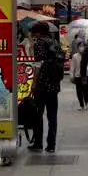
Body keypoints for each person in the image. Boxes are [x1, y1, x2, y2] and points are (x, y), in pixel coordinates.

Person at [29, 22, 64, 153]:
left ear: (38, 32)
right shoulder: (55, 42)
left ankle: (38, 142)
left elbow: (38, 65)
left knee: (38, 114)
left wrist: (34, 82)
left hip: (42, 84)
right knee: (52, 115)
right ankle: (51, 144)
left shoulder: (39, 43)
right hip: (54, 84)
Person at [70, 41, 88, 110]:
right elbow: (72, 67)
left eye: (83, 46)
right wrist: (71, 76)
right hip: (77, 76)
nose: (81, 47)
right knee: (79, 91)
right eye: (80, 46)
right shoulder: (75, 56)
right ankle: (81, 105)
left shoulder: (87, 55)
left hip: (85, 76)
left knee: (85, 90)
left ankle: (87, 103)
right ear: (78, 47)